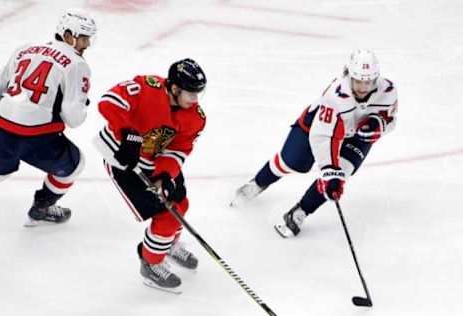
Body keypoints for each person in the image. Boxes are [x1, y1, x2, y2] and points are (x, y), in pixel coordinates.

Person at [231, 50, 398, 238]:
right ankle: (258, 183)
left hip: (355, 137)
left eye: (367, 82)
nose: (362, 87)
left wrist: (379, 124)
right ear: (348, 74)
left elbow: (391, 120)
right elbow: (322, 136)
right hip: (316, 128)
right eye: (358, 81)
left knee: (338, 179)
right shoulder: (335, 96)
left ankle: (300, 212)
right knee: (289, 162)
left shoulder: (388, 91)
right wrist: (328, 169)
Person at [93, 58, 207, 293]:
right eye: (191, 93)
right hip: (124, 162)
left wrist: (164, 174)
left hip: (154, 161)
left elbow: (179, 148)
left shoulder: (195, 117)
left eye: (199, 94)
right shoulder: (147, 88)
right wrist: (129, 134)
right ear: (174, 88)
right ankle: (151, 263)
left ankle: (167, 244)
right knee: (166, 214)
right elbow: (108, 102)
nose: (195, 100)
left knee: (180, 203)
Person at [0, 8, 96, 226]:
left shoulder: (24, 50)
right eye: (83, 39)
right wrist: (82, 103)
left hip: (3, 129)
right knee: (75, 164)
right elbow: (74, 119)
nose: (87, 45)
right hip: (40, 138)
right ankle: (41, 208)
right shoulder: (77, 64)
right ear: (69, 36)